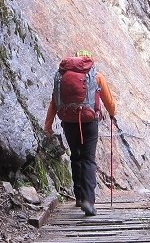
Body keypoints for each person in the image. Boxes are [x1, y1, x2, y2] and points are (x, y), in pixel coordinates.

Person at [44, 50, 116, 216]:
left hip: (68, 122)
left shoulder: (62, 77)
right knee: (88, 159)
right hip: (89, 122)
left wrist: (48, 125)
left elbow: (54, 102)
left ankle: (78, 197)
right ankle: (88, 201)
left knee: (75, 156)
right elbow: (109, 102)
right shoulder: (96, 76)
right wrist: (112, 113)